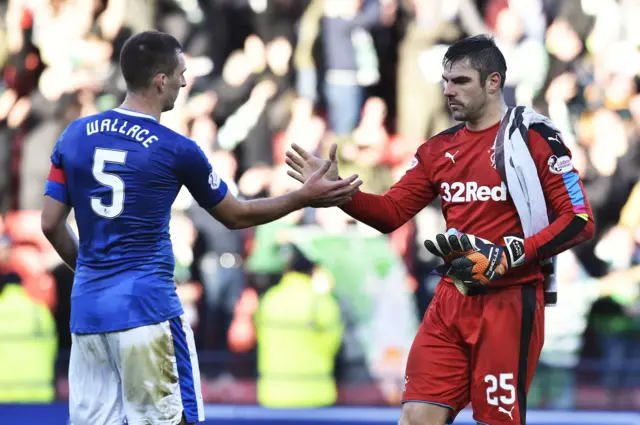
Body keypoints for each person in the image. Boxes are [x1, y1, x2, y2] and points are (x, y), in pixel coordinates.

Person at [40, 30, 362, 425]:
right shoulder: (175, 148)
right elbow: (236, 214)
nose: (184, 81)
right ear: (161, 79)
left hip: (88, 313)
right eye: (181, 73)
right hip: (148, 311)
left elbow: (51, 223)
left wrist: (93, 273)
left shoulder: (74, 135)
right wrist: (303, 197)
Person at [285, 35, 595, 425]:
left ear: (493, 81)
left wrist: (511, 254)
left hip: (510, 301)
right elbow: (391, 213)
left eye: (461, 81)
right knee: (416, 418)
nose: (448, 90)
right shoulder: (437, 150)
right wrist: (340, 194)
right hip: (452, 299)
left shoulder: (532, 137)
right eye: (445, 80)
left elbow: (579, 219)